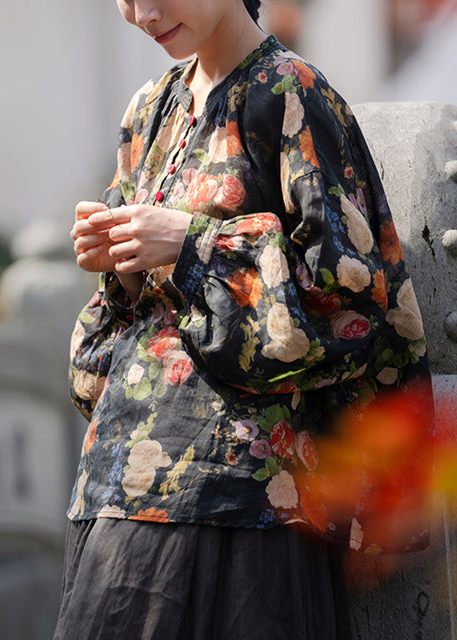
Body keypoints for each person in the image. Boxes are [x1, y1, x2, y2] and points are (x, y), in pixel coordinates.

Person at [54, 1, 431, 638]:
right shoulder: (149, 111)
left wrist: (191, 245)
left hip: (244, 504)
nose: (140, 11)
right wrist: (118, 266)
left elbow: (355, 305)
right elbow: (111, 340)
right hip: (117, 491)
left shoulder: (291, 94)